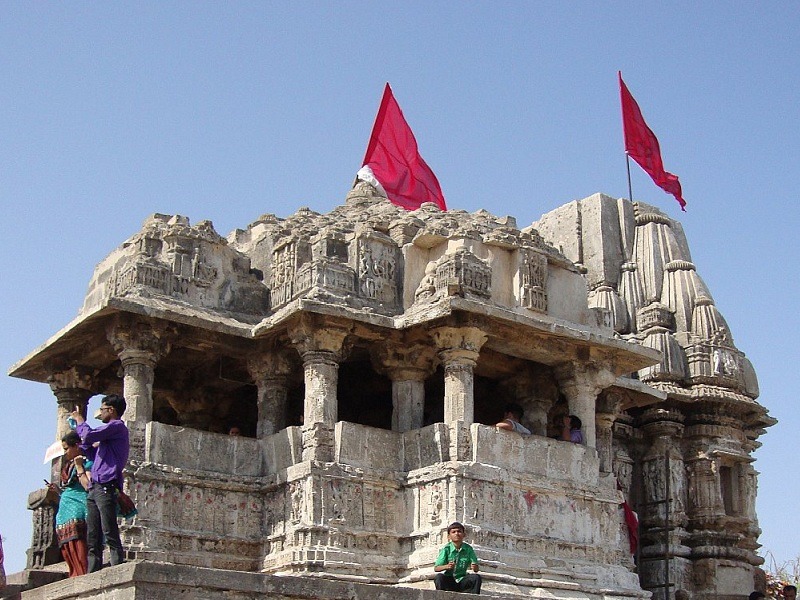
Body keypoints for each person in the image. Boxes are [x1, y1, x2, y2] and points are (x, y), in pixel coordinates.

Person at [71, 394, 130, 572]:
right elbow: (91, 451)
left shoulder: (117, 427)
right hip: (95, 486)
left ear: (111, 410)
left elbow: (89, 435)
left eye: (102, 409)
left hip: (106, 484)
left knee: (108, 528)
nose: (101, 413)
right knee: (93, 533)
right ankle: (93, 570)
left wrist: (80, 421)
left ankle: (117, 567)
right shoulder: (108, 439)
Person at [52, 431, 92, 577]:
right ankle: (74, 573)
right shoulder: (68, 466)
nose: (65, 452)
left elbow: (88, 485)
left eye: (66, 448)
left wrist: (80, 466)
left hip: (78, 507)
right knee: (67, 543)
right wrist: (58, 491)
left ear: (76, 445)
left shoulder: (87, 461)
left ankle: (81, 573)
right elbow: (69, 487)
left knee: (78, 540)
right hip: (65, 509)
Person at [433, 521, 481, 594]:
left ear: (464, 534)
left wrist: (474, 567)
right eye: (454, 532)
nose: (457, 534)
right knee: (439, 577)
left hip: (462, 581)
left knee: (476, 578)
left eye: (459, 531)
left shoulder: (468, 549)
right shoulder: (446, 549)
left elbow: (476, 569)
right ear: (449, 536)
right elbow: (436, 568)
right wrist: (447, 566)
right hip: (450, 581)